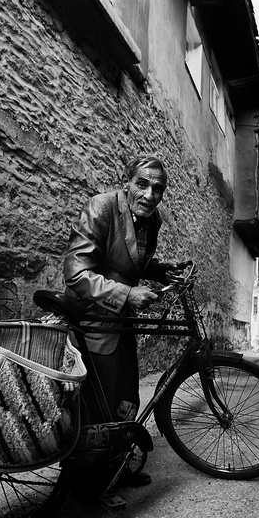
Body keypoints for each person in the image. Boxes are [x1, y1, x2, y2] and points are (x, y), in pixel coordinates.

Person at [63, 155, 183, 486]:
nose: (149, 195)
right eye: (142, 184)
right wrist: (128, 294)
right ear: (126, 182)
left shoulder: (152, 219)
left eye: (158, 188)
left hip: (122, 322)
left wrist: (161, 270)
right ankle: (88, 483)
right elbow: (76, 273)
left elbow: (132, 261)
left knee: (126, 396)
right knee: (97, 403)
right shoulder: (101, 208)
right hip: (92, 320)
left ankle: (116, 466)